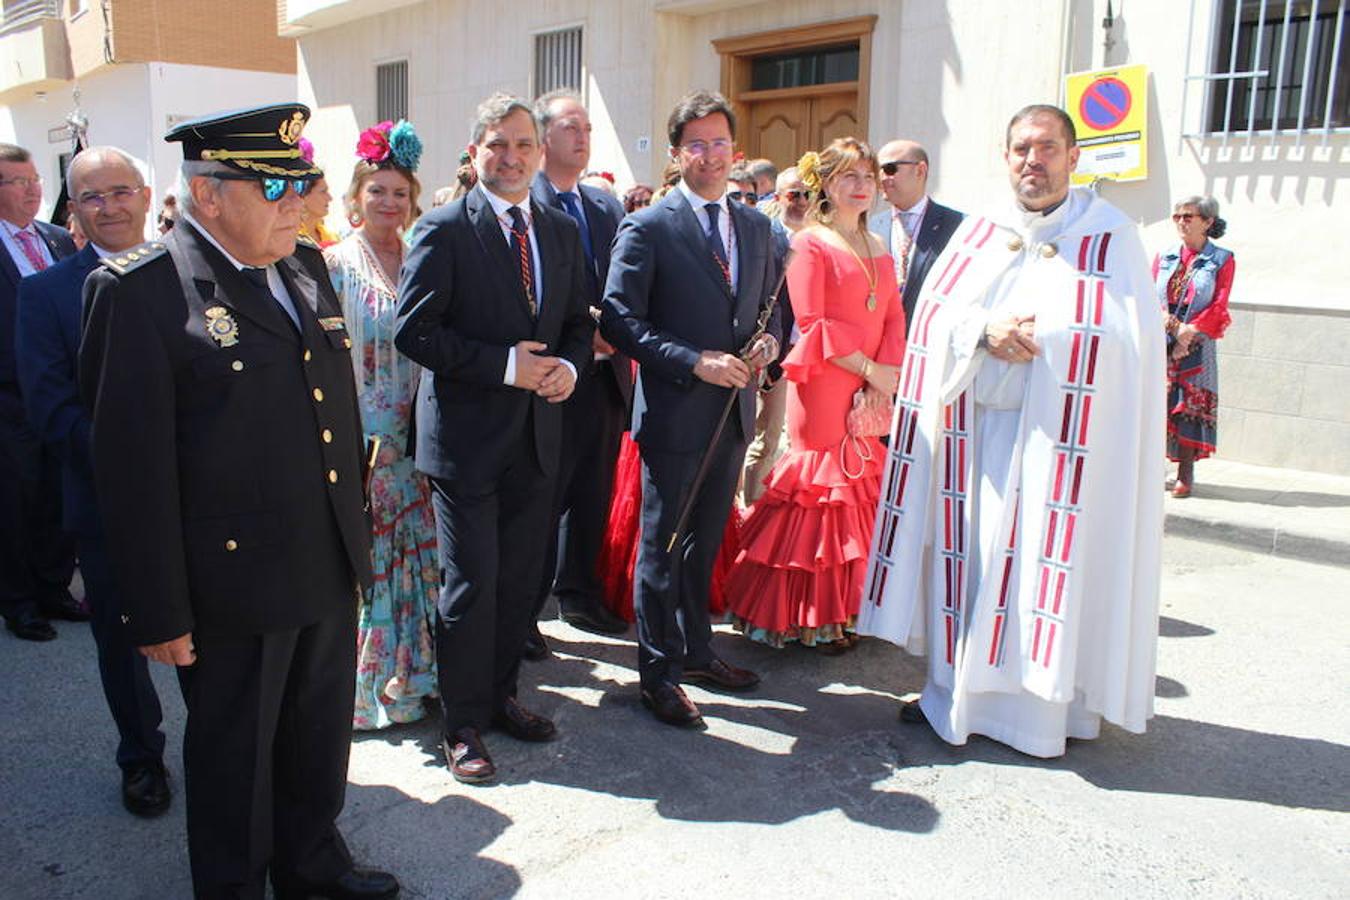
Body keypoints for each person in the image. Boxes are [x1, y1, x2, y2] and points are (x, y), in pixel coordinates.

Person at [78, 103, 399, 898]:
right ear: (209, 194)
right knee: (234, 764)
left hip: (324, 559)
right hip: (230, 587)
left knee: (318, 742)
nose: (297, 199)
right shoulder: (142, 293)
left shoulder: (304, 268)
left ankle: (312, 866)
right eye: (275, 184)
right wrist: (157, 613)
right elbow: (130, 472)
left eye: (300, 181)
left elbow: (332, 419)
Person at [860, 104, 1164, 759]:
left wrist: (1051, 339)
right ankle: (951, 695)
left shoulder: (1111, 237)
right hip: (977, 449)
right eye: (1023, 148)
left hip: (1064, 454)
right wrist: (982, 333)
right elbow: (935, 325)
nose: (1035, 160)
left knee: (1042, 574)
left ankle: (1042, 715)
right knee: (967, 567)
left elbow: (1130, 347)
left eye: (1049, 148)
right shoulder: (979, 234)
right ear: (1007, 158)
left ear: (1073, 157)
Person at [394, 93, 593, 784]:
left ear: (539, 154)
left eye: (523, 145)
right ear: (475, 153)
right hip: (465, 443)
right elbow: (414, 330)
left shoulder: (562, 232)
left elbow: (575, 321)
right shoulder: (444, 228)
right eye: (497, 145)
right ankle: (462, 723)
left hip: (538, 438)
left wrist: (567, 366)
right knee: (472, 583)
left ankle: (503, 695)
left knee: (518, 583)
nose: (511, 157)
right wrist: (510, 366)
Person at [599, 89, 781, 729]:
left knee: (705, 546)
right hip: (675, 415)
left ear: (736, 150)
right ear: (677, 154)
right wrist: (691, 359)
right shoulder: (649, 226)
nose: (710, 156)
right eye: (696, 145)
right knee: (662, 546)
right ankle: (657, 674)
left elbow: (773, 310)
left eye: (720, 143)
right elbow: (620, 321)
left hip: (733, 415)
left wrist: (769, 343)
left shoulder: (758, 226)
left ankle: (698, 652)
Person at [15, 147, 170, 816]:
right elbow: (51, 410)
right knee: (123, 639)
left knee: (214, 642)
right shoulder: (45, 294)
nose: (110, 206)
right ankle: (141, 759)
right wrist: (137, 463)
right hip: (108, 507)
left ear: (144, 194)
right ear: (73, 211)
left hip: (204, 507)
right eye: (92, 197)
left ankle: (226, 754)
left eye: (120, 191)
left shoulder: (193, 275)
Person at [727, 139, 905, 649]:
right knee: (822, 488)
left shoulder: (880, 247)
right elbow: (814, 323)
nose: (862, 185)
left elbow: (893, 315)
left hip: (871, 379)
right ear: (826, 184)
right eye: (849, 176)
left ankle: (848, 608)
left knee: (860, 486)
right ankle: (802, 615)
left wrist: (883, 375)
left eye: (868, 176)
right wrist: (869, 368)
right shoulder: (810, 242)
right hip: (825, 379)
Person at [325, 118, 439, 730]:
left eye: (399, 193)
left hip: (422, 430)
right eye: (377, 191)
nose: (389, 202)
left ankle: (419, 674)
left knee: (420, 557)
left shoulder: (424, 255)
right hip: (364, 436)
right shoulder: (333, 263)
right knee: (373, 562)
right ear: (356, 197)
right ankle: (374, 686)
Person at [526, 89, 631, 653]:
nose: (583, 135)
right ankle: (525, 612)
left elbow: (623, 283)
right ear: (544, 138)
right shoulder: (529, 205)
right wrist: (578, 333)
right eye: (571, 126)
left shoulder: (604, 207)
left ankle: (579, 593)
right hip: (551, 375)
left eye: (588, 126)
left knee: (592, 489)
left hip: (606, 376)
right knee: (543, 496)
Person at [0, 141, 83, 642]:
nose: (34, 190)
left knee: (58, 493)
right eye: (19, 181)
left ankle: (54, 587)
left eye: (35, 180)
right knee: (15, 501)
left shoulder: (55, 239)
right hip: (8, 398)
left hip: (60, 392)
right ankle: (18, 601)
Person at [1155, 195, 1233, 498]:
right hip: (1162, 339)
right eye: (1177, 217)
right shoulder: (1165, 256)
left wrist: (1188, 333)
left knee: (1189, 405)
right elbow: (1149, 294)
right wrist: (1172, 327)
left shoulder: (1222, 259)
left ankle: (1185, 471)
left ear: (1208, 222)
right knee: (1156, 404)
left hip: (1198, 343)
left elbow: (1219, 303)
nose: (1182, 222)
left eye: (1188, 216)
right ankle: (1150, 468)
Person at [740, 165, 810, 506]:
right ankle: (748, 508)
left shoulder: (820, 240)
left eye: (808, 194)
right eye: (794, 194)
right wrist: (771, 356)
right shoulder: (767, 237)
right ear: (778, 197)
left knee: (795, 442)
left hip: (810, 355)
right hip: (773, 354)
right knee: (761, 438)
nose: (801, 202)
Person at [870, 139, 964, 332]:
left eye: (889, 169)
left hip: (929, 341)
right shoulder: (870, 226)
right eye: (876, 171)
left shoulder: (957, 225)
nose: (881, 178)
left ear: (920, 171)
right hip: (879, 346)